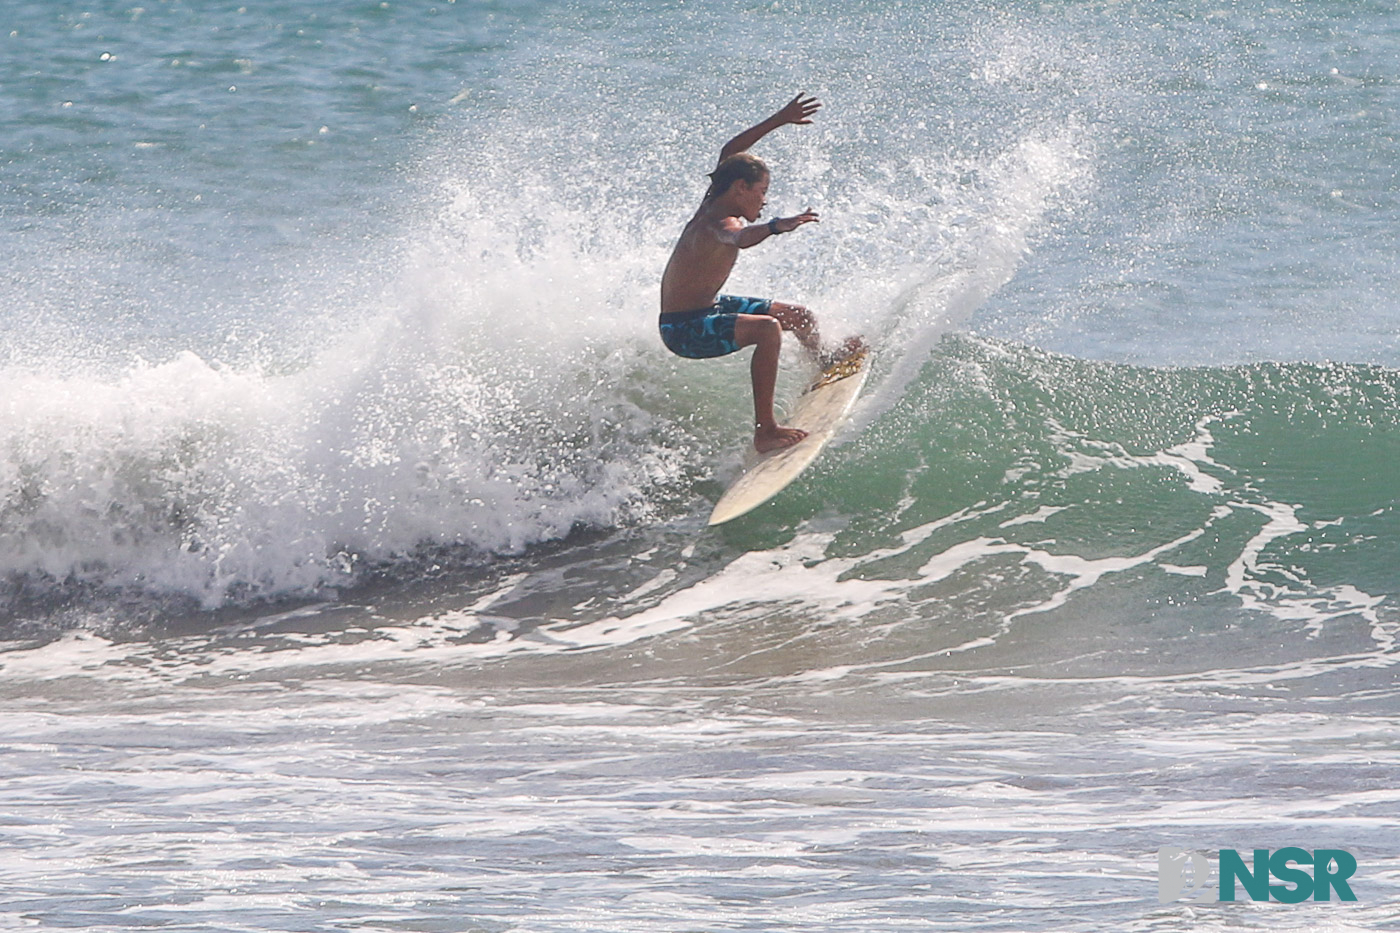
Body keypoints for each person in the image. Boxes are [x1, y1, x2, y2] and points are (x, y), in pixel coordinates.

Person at [659, 92, 857, 453]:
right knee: (768, 330)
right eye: (762, 191)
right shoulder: (719, 221)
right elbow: (739, 237)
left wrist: (781, 119)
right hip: (683, 329)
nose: (765, 200)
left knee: (797, 316)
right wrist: (777, 226)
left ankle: (825, 363)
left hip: (709, 308)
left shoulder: (716, 194)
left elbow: (731, 150)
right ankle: (765, 430)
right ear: (740, 189)